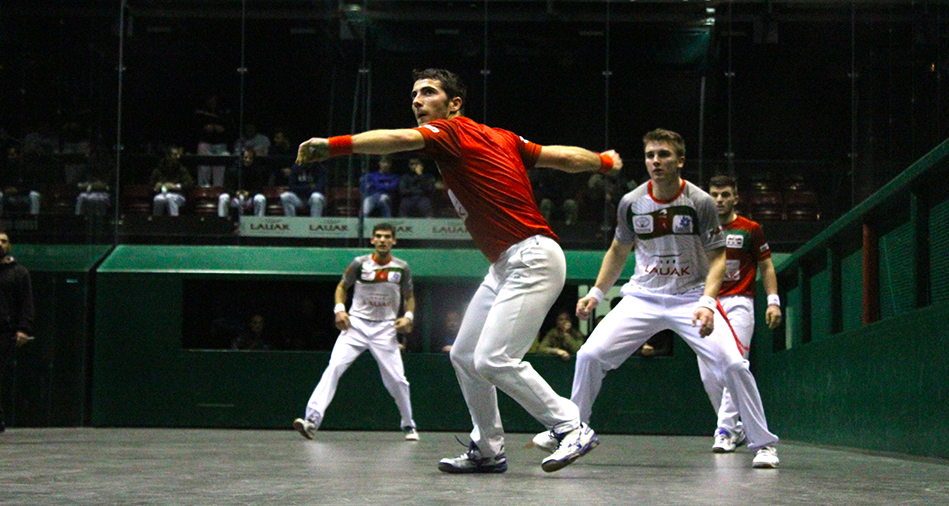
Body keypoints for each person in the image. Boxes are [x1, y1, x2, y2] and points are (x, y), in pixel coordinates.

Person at [295, 68, 622, 474]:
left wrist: (332, 146)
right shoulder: (503, 137)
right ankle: (488, 448)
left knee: (494, 358)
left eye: (428, 93)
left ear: (454, 105)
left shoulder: (449, 132)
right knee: (466, 356)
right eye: (414, 93)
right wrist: (604, 162)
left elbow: (399, 139)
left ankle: (570, 425)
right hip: (506, 263)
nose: (417, 100)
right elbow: (561, 157)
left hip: (531, 256)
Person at [533, 128, 779, 469]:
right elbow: (619, 250)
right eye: (650, 155)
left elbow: (718, 257)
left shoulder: (700, 202)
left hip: (690, 297)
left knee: (735, 364)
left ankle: (763, 444)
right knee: (589, 354)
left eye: (663, 155)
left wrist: (708, 302)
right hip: (643, 297)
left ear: (680, 160)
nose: (655, 161)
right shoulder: (632, 202)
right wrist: (595, 292)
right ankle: (571, 430)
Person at [293, 223, 419, 441]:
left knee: (398, 380)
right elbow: (342, 287)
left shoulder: (402, 267)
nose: (382, 240)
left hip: (385, 329)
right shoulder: (359, 264)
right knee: (334, 368)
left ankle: (409, 425)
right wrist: (340, 310)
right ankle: (311, 421)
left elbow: (409, 296)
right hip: (356, 326)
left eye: (387, 237)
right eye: (378, 236)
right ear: (372, 240)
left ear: (393, 241)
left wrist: (408, 317)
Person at [700, 174, 783, 453]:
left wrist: (773, 301)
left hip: (739, 302)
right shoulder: (700, 229)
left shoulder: (750, 228)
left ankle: (723, 429)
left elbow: (767, 266)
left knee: (734, 362)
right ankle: (735, 429)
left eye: (725, 195)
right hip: (707, 303)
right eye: (714, 194)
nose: (719, 200)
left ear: (735, 197)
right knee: (709, 374)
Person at [0, 230, 35, 434]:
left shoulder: (19, 273)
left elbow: (26, 303)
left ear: (9, 245)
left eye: (3, 241)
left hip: (4, 331)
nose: (0, 244)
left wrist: (24, 328)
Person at [218, 148, 266, 218]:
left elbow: (260, 189)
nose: (248, 160)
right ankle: (222, 223)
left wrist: (249, 193)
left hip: (250, 198)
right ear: (241, 157)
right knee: (223, 197)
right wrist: (235, 193)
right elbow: (227, 187)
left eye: (250, 158)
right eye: (246, 157)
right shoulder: (233, 169)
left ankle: (258, 224)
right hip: (235, 198)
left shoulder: (257, 170)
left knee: (261, 199)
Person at [150, 145, 195, 216]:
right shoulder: (159, 169)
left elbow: (189, 184)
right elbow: (151, 186)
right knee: (157, 200)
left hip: (178, 194)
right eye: (175, 155)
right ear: (168, 156)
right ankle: (156, 222)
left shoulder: (181, 168)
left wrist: (174, 186)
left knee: (170, 198)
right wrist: (156, 187)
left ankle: (174, 222)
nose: (178, 157)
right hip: (162, 194)